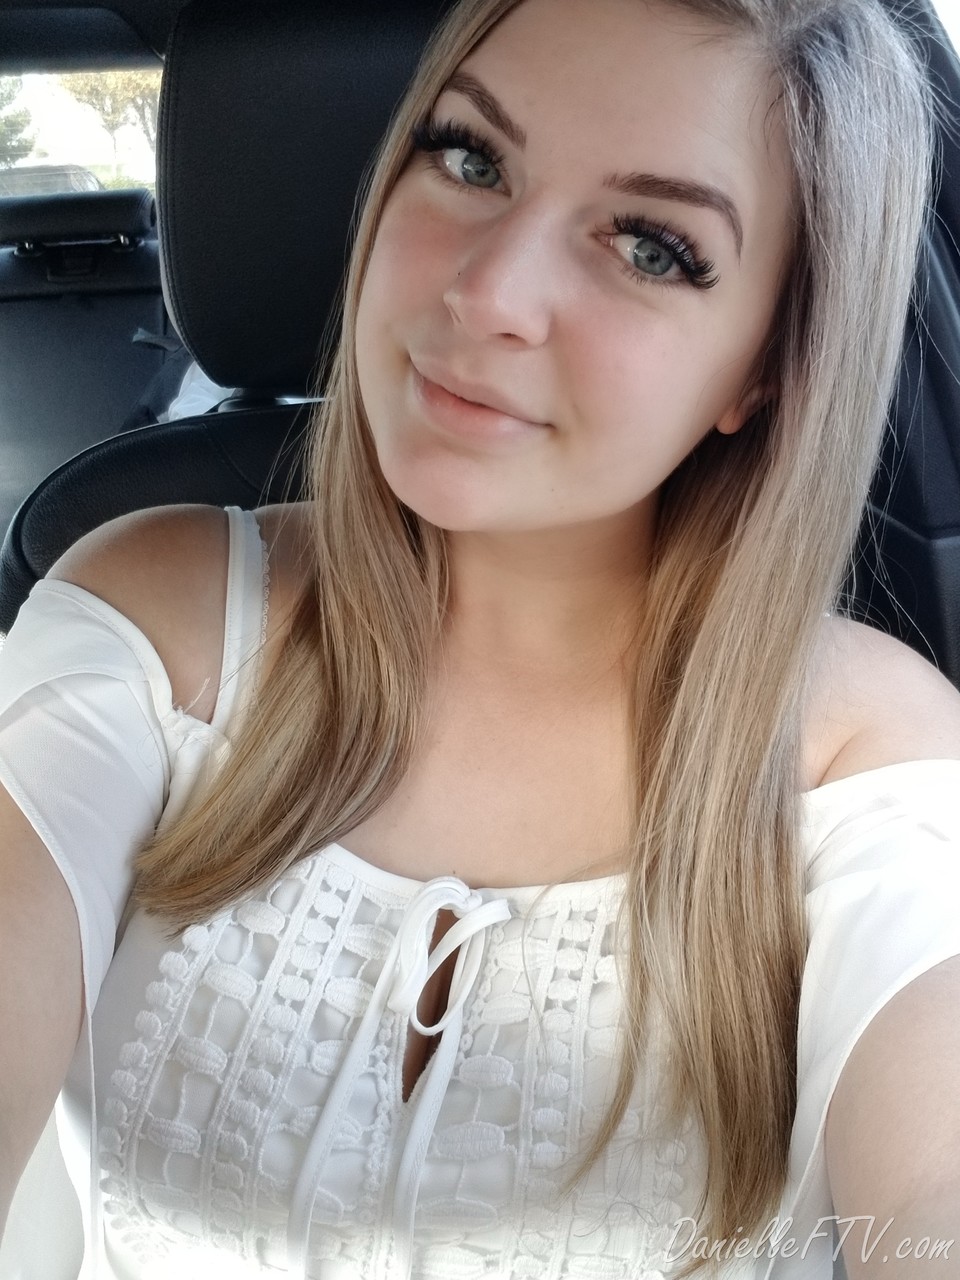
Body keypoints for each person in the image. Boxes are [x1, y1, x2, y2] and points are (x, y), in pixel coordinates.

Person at [1, 0, 959, 1276]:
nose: (488, 291)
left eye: (652, 247)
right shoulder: (154, 619)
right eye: (470, 157)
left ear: (766, 365)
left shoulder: (867, 756)